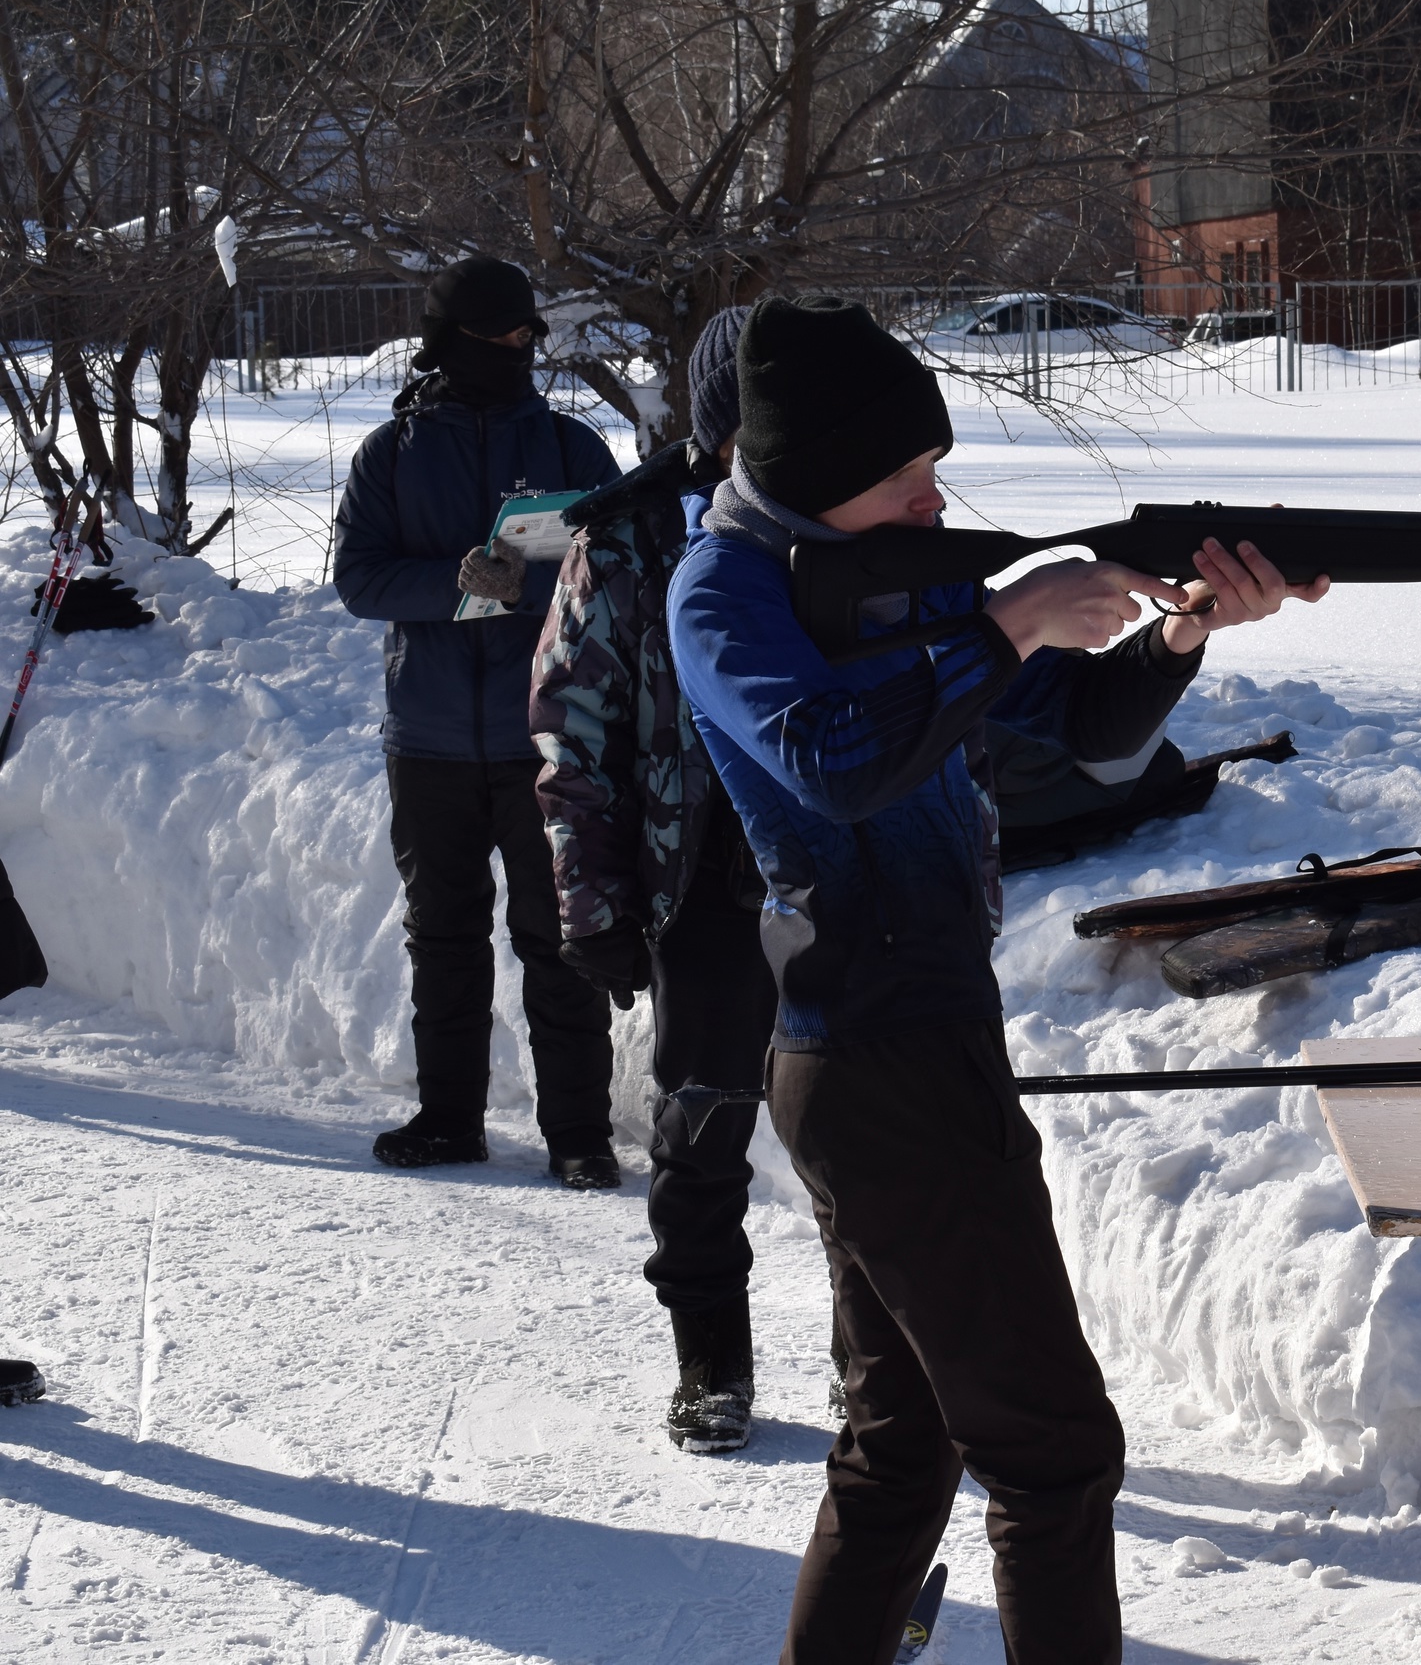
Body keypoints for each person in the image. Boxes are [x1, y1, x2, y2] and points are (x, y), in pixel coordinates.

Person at [667, 295, 1323, 1663]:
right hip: (871, 1055)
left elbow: (1087, 726)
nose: (935, 496)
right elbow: (836, 760)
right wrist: (1007, 620)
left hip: (915, 1042)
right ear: (818, 477)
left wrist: (1182, 634)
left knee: (904, 1443)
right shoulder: (721, 590)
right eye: (907, 477)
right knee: (1054, 1454)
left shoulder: (885, 567)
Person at [530, 307, 782, 1453]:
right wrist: (591, 898)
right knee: (702, 1131)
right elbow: (574, 736)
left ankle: (877, 1365)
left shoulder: (864, 518)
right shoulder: (629, 536)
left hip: (839, 886)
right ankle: (710, 1363)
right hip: (703, 891)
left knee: (871, 1145)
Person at [333, 256, 623, 1188]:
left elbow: (625, 562)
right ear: (448, 343)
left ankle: (579, 1133)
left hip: (546, 737)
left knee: (558, 938)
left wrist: (533, 582)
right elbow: (359, 577)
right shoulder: (393, 453)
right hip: (427, 740)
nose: (515, 353)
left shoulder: (574, 449)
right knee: (444, 934)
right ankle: (450, 1116)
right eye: (497, 339)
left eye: (524, 338)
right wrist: (455, 582)